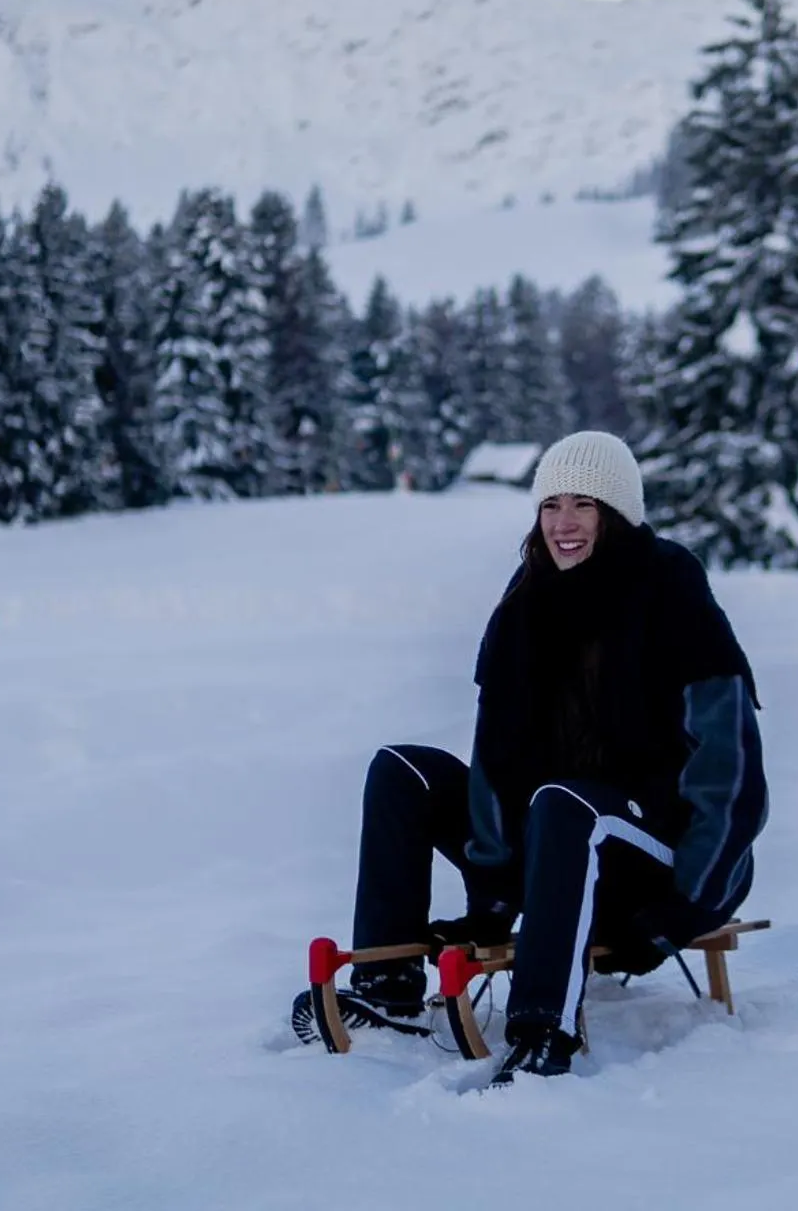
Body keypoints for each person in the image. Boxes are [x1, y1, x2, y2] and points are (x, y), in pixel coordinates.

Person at [293, 431, 767, 1084]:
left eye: (584, 504)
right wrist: (491, 893)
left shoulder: (669, 586)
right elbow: (496, 751)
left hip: (653, 856)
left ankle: (545, 1025)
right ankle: (386, 987)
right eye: (550, 505)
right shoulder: (527, 599)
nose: (563, 523)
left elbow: (730, 766)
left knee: (563, 800)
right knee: (400, 769)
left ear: (619, 513)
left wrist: (685, 907)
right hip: (549, 844)